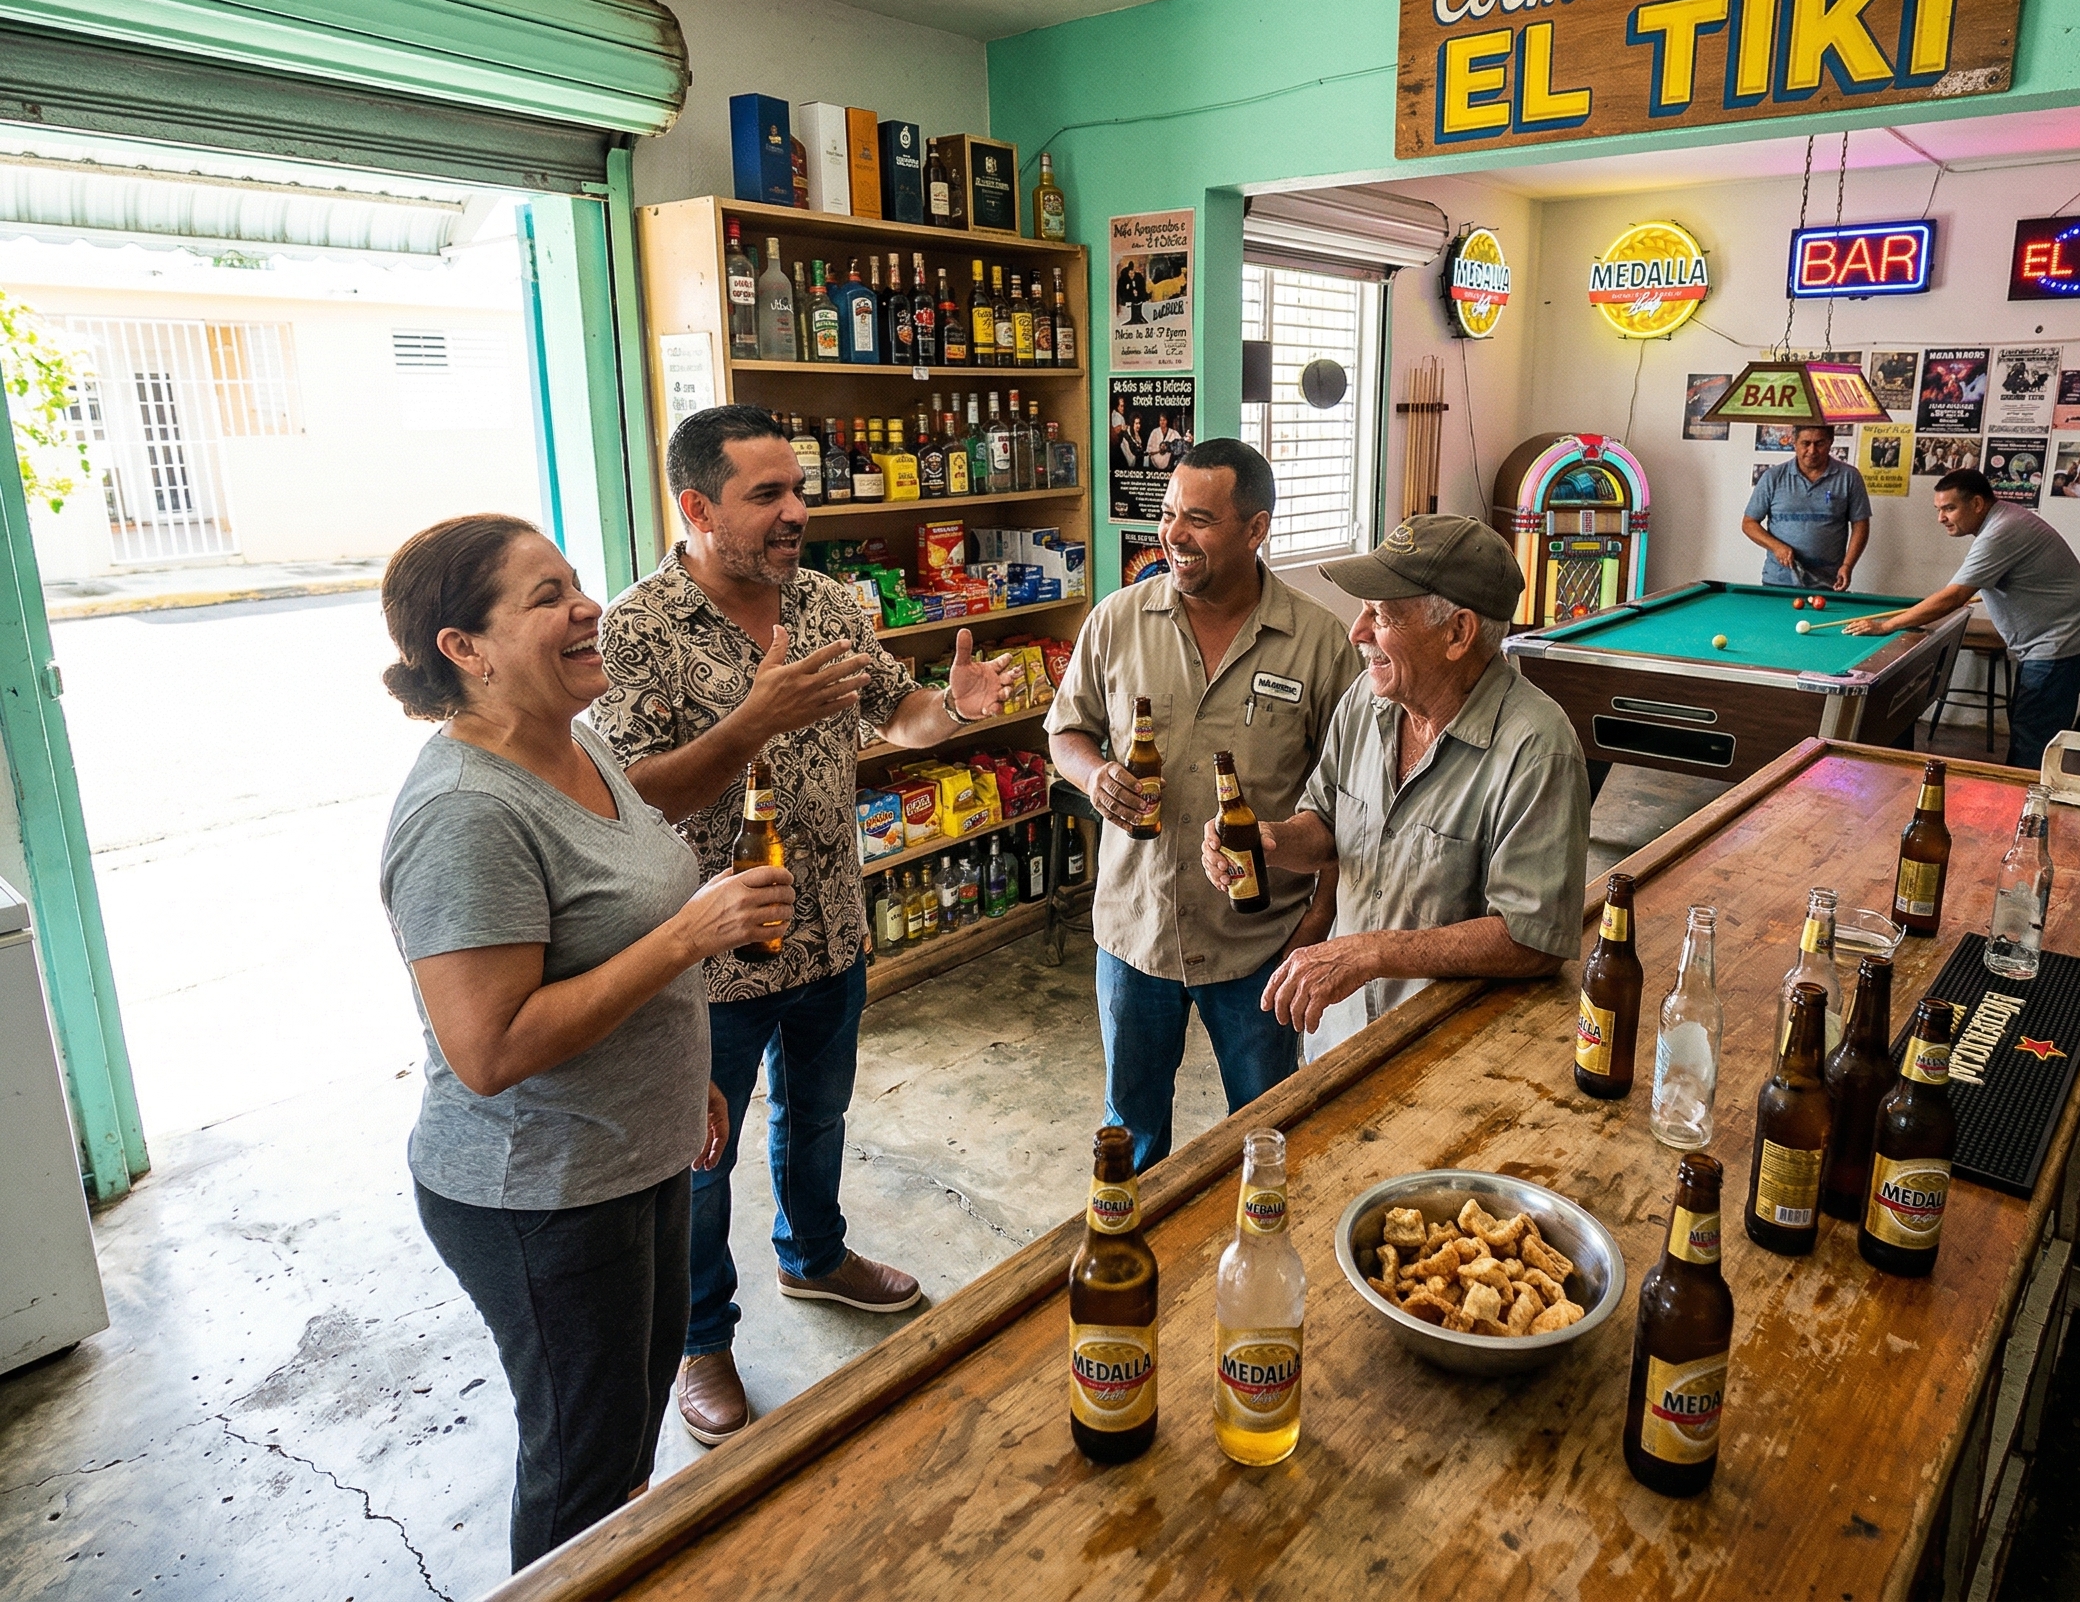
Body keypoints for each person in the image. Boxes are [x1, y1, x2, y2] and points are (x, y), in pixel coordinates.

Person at [377, 514, 794, 1571]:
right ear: (461, 650)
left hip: (632, 1148)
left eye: (576, 581)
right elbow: (490, 1047)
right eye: (544, 596)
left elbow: (613, 913)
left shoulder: (576, 740)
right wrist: (689, 935)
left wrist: (684, 1072)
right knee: (580, 1459)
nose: (586, 607)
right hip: (543, 1192)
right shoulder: (465, 813)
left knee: (625, 1431)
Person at [591, 405, 1010, 1447]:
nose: (796, 512)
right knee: (700, 1158)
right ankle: (702, 1336)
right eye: (765, 495)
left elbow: (897, 714)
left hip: (831, 929)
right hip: (706, 956)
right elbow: (629, 793)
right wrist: (751, 724)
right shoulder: (636, 628)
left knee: (817, 1117)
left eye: (798, 489)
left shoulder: (829, 602)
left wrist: (949, 711)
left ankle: (814, 1254)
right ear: (696, 509)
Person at [1048, 440, 1361, 1170]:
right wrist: (1095, 777)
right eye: (1166, 515)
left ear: (1255, 530)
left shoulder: (1318, 644)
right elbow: (1067, 731)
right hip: (1136, 933)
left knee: (1269, 1133)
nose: (1173, 537)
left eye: (1199, 519)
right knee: (1132, 1133)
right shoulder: (1117, 620)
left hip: (1259, 943)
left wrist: (1316, 922)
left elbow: (1353, 801)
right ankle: (1138, 1265)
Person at [1199, 515, 1589, 1061]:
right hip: (1340, 1034)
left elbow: (1532, 938)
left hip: (1447, 1055)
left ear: (1457, 632)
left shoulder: (1537, 748)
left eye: (1381, 615)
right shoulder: (1367, 700)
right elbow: (1327, 824)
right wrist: (1270, 841)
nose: (1357, 632)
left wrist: (1372, 952)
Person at [1844, 468, 2080, 771]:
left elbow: (1954, 596)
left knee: (2032, 738)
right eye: (1939, 509)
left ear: (1976, 504)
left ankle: (2025, 809)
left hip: (2061, 643)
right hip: (2071, 636)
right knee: (2033, 729)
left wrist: (1886, 625)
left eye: (1949, 508)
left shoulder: (2000, 531)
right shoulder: (2007, 517)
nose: (1941, 518)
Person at [1741, 422, 1871, 591]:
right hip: (1778, 581)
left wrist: (1847, 565)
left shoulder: (1849, 477)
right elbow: (1749, 523)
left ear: (1830, 442)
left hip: (1829, 582)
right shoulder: (1772, 477)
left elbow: (1861, 525)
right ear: (1794, 442)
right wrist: (1776, 546)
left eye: (1819, 443)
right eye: (1805, 443)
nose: (1812, 451)